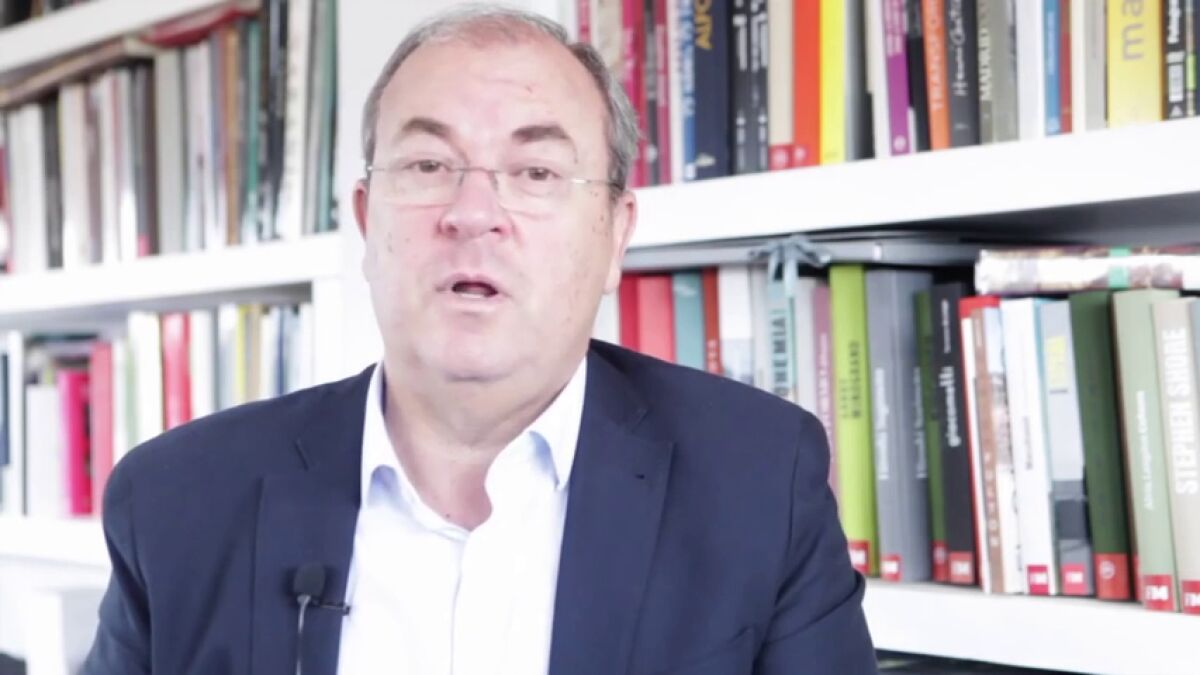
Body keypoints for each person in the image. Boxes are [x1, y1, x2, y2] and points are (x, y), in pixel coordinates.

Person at [82, 4, 875, 674]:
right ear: (366, 223)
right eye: (428, 164)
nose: (472, 213)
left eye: (536, 172)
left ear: (614, 236)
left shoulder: (761, 484)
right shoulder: (176, 502)